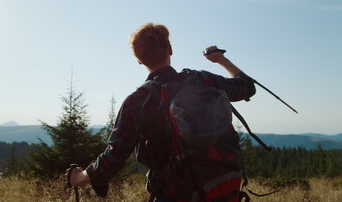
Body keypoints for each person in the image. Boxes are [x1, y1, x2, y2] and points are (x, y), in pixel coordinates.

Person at [66, 23, 256, 201]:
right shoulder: (203, 80)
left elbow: (112, 159)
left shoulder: (137, 101)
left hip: (176, 192)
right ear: (170, 50)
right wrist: (221, 59)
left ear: (139, 61)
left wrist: (79, 177)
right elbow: (247, 86)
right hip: (223, 185)